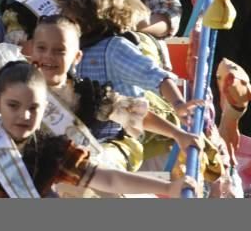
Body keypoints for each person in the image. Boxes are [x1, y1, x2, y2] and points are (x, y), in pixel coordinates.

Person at [0, 61, 198, 198]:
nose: (24, 115)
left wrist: (168, 188)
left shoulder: (53, 149)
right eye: (13, 105)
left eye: (34, 107)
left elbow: (109, 180)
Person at [31, 15, 201, 172]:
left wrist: (179, 134)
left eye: (59, 51)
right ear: (31, 50)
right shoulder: (13, 83)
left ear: (77, 57)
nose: (48, 56)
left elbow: (133, 113)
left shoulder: (87, 94)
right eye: (41, 48)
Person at [59, 0, 198, 122]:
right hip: (85, 131)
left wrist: (178, 104)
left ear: (90, 16)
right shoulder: (72, 47)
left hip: (117, 132)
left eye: (71, 12)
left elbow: (157, 77)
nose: (65, 17)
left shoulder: (113, 50)